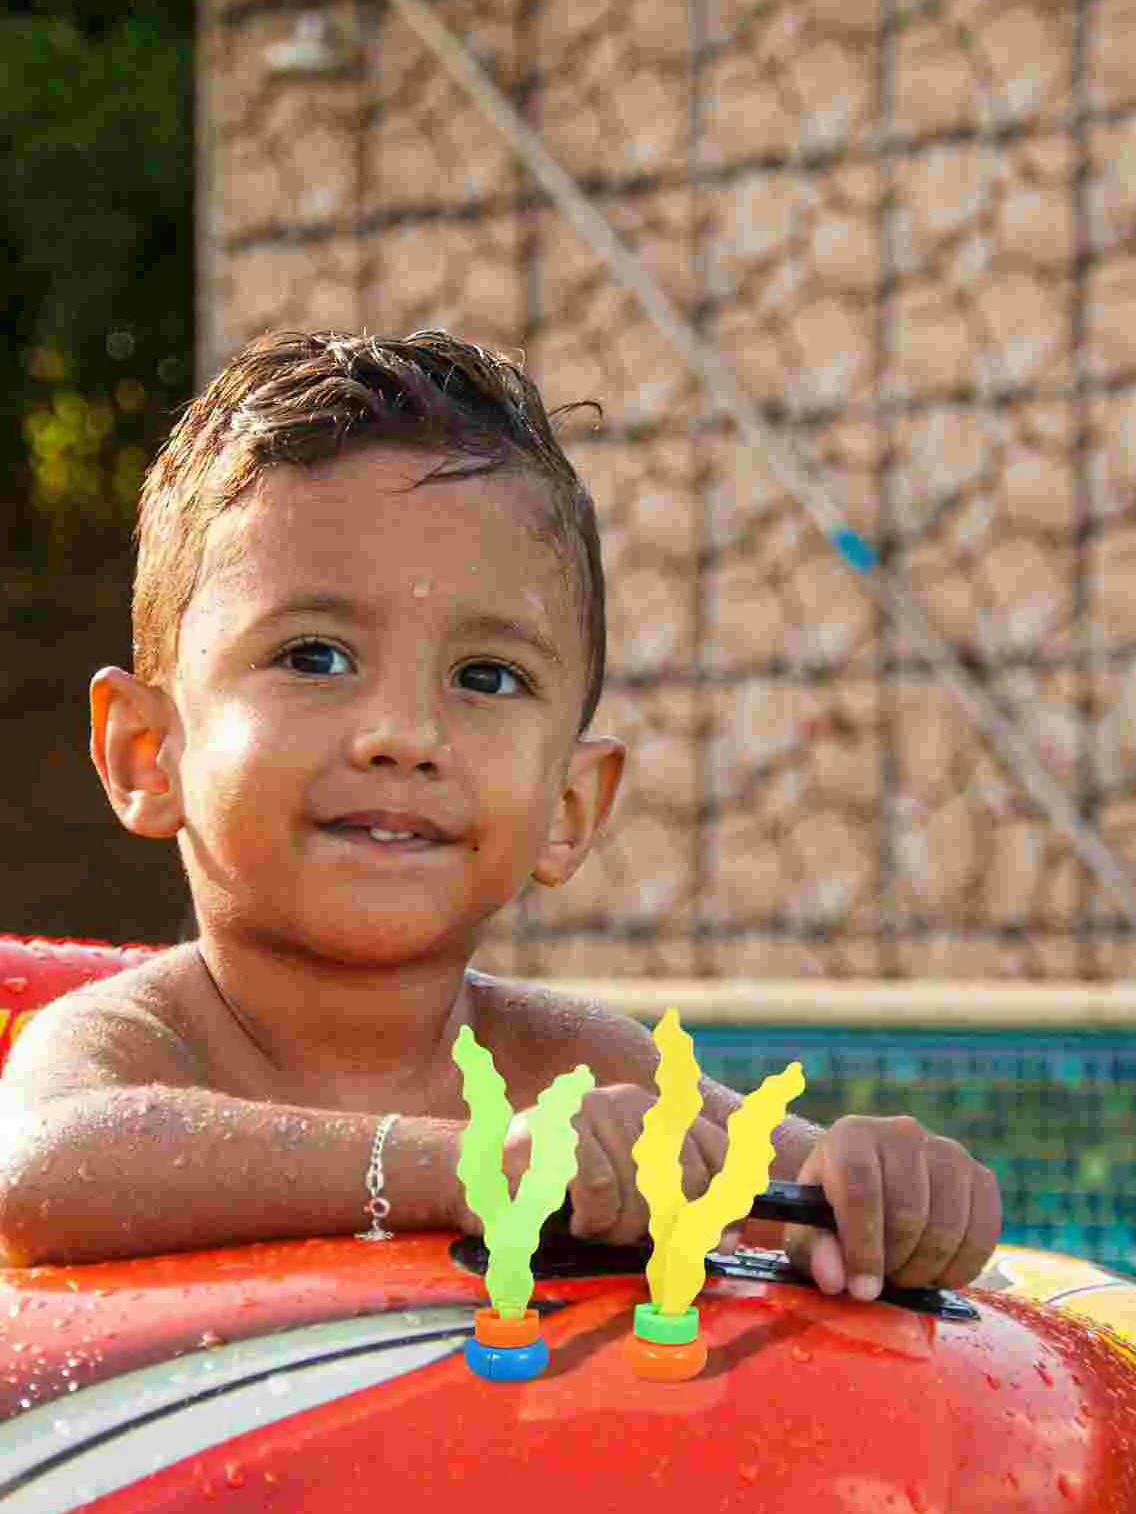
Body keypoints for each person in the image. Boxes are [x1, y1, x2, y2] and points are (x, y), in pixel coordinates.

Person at [0, 329, 1002, 1291]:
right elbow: (41, 1169)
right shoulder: (136, 1041)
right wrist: (472, 1166)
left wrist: (886, 1188)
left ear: (570, 803)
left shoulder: (581, 1065)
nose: (403, 731)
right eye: (314, 656)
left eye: (485, 675)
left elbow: (801, 1192)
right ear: (148, 752)